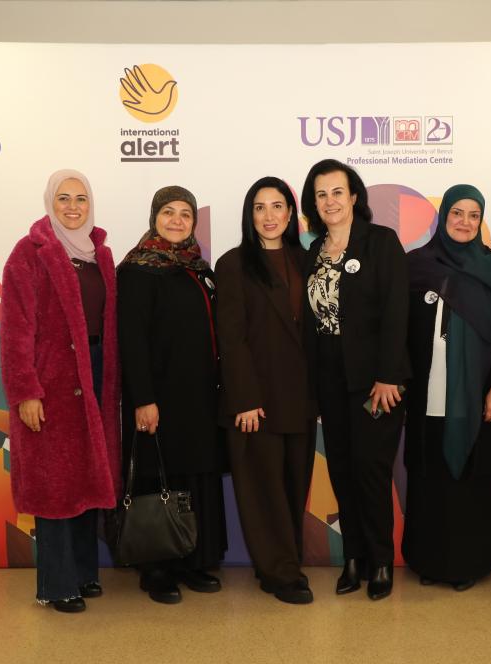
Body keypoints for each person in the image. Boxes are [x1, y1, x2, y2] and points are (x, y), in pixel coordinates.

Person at [0, 169, 121, 613]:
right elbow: (15, 331)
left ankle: (85, 574)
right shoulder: (29, 253)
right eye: (64, 198)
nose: (73, 207)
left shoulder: (101, 254)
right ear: (50, 202)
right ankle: (57, 585)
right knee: (54, 488)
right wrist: (26, 392)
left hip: (95, 376)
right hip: (50, 383)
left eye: (81, 198)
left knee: (87, 481)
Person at [403, 184, 491, 590]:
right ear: (444, 217)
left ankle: (468, 565)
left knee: (473, 483)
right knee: (429, 479)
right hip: (427, 392)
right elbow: (398, 328)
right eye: (457, 213)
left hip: (479, 394)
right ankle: (428, 561)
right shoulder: (416, 265)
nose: (465, 222)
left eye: (474, 215)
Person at [301, 159, 410, 600]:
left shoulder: (381, 242)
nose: (330, 201)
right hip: (330, 380)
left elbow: (397, 312)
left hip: (375, 384)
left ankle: (380, 561)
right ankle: (353, 558)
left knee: (371, 470)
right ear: (313, 203)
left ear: (354, 197)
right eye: (321, 194)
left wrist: (388, 375)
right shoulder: (313, 251)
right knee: (343, 471)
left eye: (337, 192)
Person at [118, 185, 227, 605]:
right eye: (169, 212)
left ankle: (194, 560)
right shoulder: (137, 269)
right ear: (154, 217)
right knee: (157, 476)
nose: (177, 220)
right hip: (157, 399)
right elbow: (132, 341)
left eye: (185, 213)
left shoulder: (198, 268)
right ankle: (157, 569)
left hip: (198, 398)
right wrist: (143, 399)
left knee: (195, 474)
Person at [215, 177, 316, 605]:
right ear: (249, 215)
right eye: (260, 207)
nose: (269, 215)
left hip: (300, 397)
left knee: (293, 486)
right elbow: (231, 338)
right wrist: (244, 398)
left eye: (277, 206)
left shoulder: (307, 259)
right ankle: (282, 574)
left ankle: (281, 563)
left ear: (291, 214)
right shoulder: (233, 264)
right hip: (254, 400)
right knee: (262, 491)